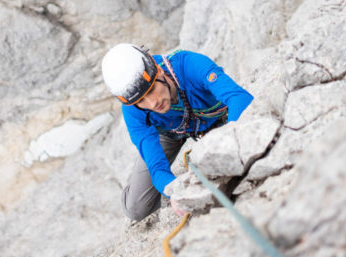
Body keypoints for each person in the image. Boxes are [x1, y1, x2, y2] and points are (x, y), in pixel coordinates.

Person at [101, 43, 253, 221]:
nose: (152, 104)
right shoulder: (133, 109)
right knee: (135, 208)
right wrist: (174, 189)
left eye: (151, 91)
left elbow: (239, 98)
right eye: (141, 101)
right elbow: (157, 169)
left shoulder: (189, 65)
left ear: (158, 71)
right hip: (170, 133)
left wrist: (228, 139)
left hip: (216, 118)